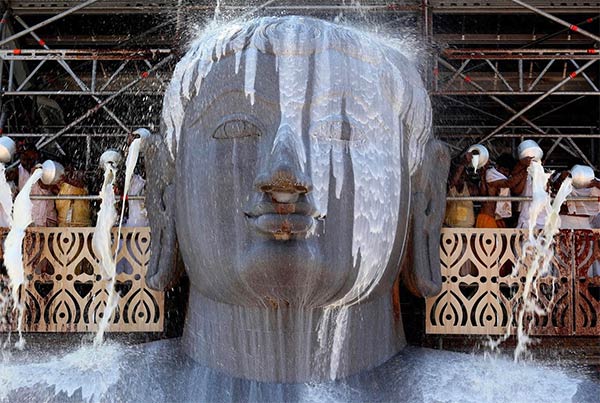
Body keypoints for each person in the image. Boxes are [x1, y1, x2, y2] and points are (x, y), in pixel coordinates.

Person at [7, 144, 58, 227]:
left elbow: (47, 187)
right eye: (23, 158)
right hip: (28, 219)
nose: (26, 161)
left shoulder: (45, 169)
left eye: (30, 158)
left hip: (46, 218)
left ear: (36, 155)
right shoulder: (18, 171)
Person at [476, 153, 530, 228]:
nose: (505, 173)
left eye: (507, 172)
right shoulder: (490, 174)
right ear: (497, 167)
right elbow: (509, 183)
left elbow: (517, 190)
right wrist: (523, 166)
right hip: (487, 216)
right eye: (504, 170)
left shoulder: (503, 177)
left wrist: (525, 171)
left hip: (498, 218)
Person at [444, 151, 478, 228]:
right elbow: (453, 181)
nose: (461, 176)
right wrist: (463, 164)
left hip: (468, 231)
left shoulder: (469, 187)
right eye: (459, 174)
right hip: (450, 230)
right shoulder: (448, 186)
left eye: (463, 174)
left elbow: (479, 192)